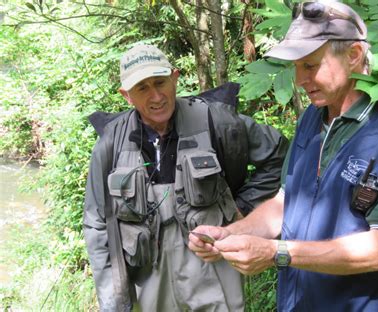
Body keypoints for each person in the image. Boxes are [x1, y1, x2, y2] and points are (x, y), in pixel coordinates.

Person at [189, 1, 378, 311]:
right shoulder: (311, 119)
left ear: (354, 55)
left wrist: (278, 252)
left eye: (310, 65)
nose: (300, 79)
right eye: (296, 66)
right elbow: (284, 203)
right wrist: (228, 234)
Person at [83, 44, 288, 311]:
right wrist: (112, 301)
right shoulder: (111, 144)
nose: (156, 96)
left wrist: (244, 208)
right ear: (127, 95)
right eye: (142, 88)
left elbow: (280, 156)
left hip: (212, 264)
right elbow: (97, 224)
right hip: (147, 276)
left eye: (160, 82)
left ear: (175, 77)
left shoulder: (216, 121)